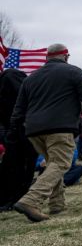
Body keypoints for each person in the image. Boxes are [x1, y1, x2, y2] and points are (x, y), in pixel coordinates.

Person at [8, 44, 82, 222]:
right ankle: (31, 200)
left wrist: (13, 130)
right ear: (66, 56)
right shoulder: (73, 72)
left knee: (52, 164)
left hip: (34, 130)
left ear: (47, 58)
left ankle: (57, 204)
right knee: (61, 163)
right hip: (60, 127)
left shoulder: (31, 78)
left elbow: (18, 109)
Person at [0, 68, 38, 212]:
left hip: (23, 129)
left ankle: (16, 198)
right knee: (12, 165)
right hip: (15, 130)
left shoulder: (10, 76)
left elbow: (22, 102)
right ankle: (10, 198)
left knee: (20, 165)